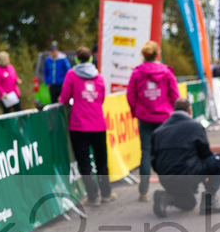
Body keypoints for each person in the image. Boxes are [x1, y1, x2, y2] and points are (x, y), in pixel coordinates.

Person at [150, 97, 220, 218]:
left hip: (166, 178)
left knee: (189, 204)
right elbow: (205, 154)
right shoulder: (195, 127)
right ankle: (209, 201)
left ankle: (167, 197)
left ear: (174, 110)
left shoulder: (159, 130)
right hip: (188, 174)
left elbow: (153, 160)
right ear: (189, 110)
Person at [59, 46, 113, 207]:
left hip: (79, 125)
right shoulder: (99, 76)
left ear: (76, 59)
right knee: (102, 160)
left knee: (84, 162)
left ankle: (92, 196)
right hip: (98, 124)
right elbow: (102, 98)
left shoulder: (72, 74)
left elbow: (64, 97)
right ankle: (106, 193)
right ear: (90, 59)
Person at [126, 41, 179, 202]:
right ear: (157, 53)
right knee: (167, 153)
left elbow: (131, 95)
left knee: (146, 153)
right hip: (164, 118)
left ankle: (143, 191)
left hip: (145, 118)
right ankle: (171, 188)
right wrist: (171, 111)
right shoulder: (166, 72)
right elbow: (175, 95)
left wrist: (137, 111)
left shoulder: (137, 73)